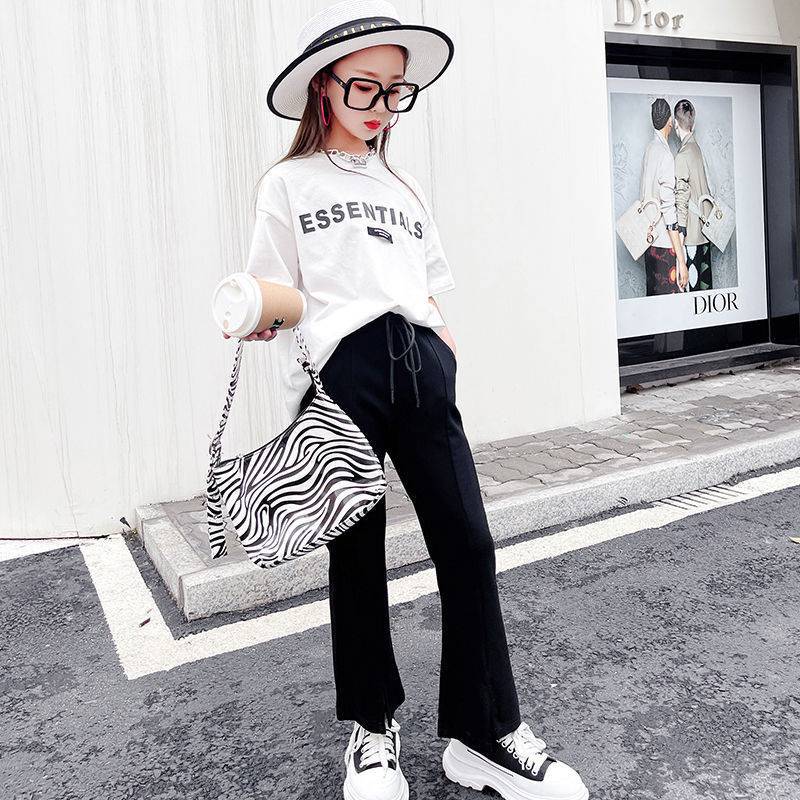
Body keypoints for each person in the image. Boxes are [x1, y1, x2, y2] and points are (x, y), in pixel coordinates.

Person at [221, 2, 589, 799]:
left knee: (469, 542)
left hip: (420, 362)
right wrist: (255, 312)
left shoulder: (404, 184)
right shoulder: (288, 182)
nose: (383, 106)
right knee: (356, 557)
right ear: (324, 87)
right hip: (342, 373)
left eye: (396, 91)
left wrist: (444, 354)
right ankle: (371, 730)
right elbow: (274, 289)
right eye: (366, 87)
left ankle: (483, 734)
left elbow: (425, 286)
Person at [639, 97, 688, 295]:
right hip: (664, 247)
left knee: (653, 301)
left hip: (648, 242)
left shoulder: (649, 149)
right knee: (670, 306)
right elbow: (668, 210)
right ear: (669, 121)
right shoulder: (665, 155)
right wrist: (681, 260)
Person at [673, 98, 714, 291]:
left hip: (691, 235)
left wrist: (680, 236)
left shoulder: (682, 155)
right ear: (693, 123)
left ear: (675, 123)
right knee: (705, 292)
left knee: (691, 293)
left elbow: (682, 198)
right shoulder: (697, 149)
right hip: (706, 230)